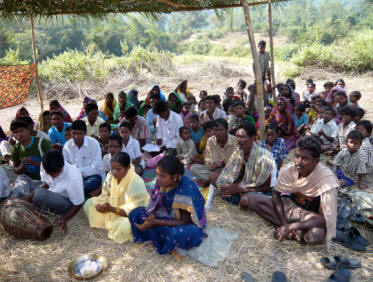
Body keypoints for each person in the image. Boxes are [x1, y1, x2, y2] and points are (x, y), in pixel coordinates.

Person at [244, 136, 339, 245]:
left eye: (305, 158)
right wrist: (285, 223)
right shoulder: (289, 170)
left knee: (315, 235)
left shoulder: (326, 180)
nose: (298, 162)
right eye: (297, 156)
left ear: (316, 161)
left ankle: (289, 229)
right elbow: (276, 194)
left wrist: (292, 226)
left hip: (309, 217)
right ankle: (289, 230)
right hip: (289, 207)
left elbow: (324, 220)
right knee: (248, 198)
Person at [129, 155, 206, 255]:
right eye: (157, 174)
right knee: (135, 213)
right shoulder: (161, 183)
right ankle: (154, 232)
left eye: (162, 176)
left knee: (175, 234)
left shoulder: (185, 190)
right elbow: (154, 203)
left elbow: (184, 221)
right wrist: (151, 218)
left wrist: (156, 222)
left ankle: (157, 234)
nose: (158, 179)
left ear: (174, 177)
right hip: (164, 214)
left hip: (184, 222)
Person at [84, 152, 150, 243]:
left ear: (128, 168)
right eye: (112, 169)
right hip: (111, 208)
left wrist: (112, 209)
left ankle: (113, 225)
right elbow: (105, 193)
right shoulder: (111, 175)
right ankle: (110, 223)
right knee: (89, 203)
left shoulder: (137, 183)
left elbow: (134, 210)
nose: (114, 172)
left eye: (118, 169)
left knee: (125, 226)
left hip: (127, 214)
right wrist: (102, 205)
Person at [215, 122, 274, 206]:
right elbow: (242, 176)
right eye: (237, 136)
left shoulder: (264, 157)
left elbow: (266, 187)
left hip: (263, 191)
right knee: (215, 178)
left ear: (253, 138)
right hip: (247, 186)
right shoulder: (240, 152)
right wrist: (233, 187)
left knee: (246, 198)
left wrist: (239, 189)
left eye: (242, 137)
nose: (238, 140)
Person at [30, 150, 84, 234]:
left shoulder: (73, 176)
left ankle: (39, 204)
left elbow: (78, 203)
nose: (52, 177)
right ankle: (37, 202)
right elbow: (46, 184)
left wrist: (64, 219)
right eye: (49, 173)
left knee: (38, 194)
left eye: (55, 174)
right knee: (24, 180)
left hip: (66, 203)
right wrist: (32, 194)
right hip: (51, 193)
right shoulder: (44, 165)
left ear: (61, 167)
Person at [9, 119, 51, 198]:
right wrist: (18, 169)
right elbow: (15, 168)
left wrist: (34, 163)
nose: (19, 134)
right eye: (15, 132)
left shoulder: (42, 143)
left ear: (28, 130)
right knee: (16, 194)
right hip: (26, 180)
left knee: (39, 196)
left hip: (44, 180)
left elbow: (54, 165)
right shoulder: (17, 148)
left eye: (21, 130)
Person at [63, 120, 105, 198]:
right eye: (74, 133)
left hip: (91, 177)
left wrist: (77, 170)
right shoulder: (67, 146)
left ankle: (73, 195)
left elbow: (97, 168)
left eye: (79, 134)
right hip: (73, 178)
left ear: (85, 133)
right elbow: (65, 167)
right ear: (70, 132)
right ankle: (76, 195)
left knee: (93, 181)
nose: (76, 136)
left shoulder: (94, 144)